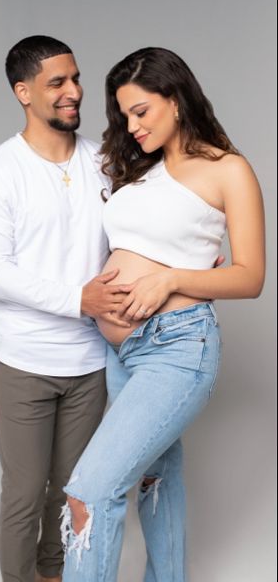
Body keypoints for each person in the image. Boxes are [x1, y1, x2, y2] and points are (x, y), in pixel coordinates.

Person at [60, 47, 265, 581]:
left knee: (90, 491)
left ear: (176, 99)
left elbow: (251, 276)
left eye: (141, 111)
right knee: (156, 478)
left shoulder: (229, 169)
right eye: (124, 116)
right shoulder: (142, 172)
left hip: (179, 346)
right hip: (123, 350)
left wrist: (174, 277)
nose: (132, 126)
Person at [0, 36, 136, 582]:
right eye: (57, 82)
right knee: (22, 494)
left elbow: (140, 231)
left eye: (76, 79)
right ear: (23, 92)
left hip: (90, 361)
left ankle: (54, 573)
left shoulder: (104, 161)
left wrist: (196, 256)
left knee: (71, 490)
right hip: (25, 361)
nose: (74, 92)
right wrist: (77, 300)